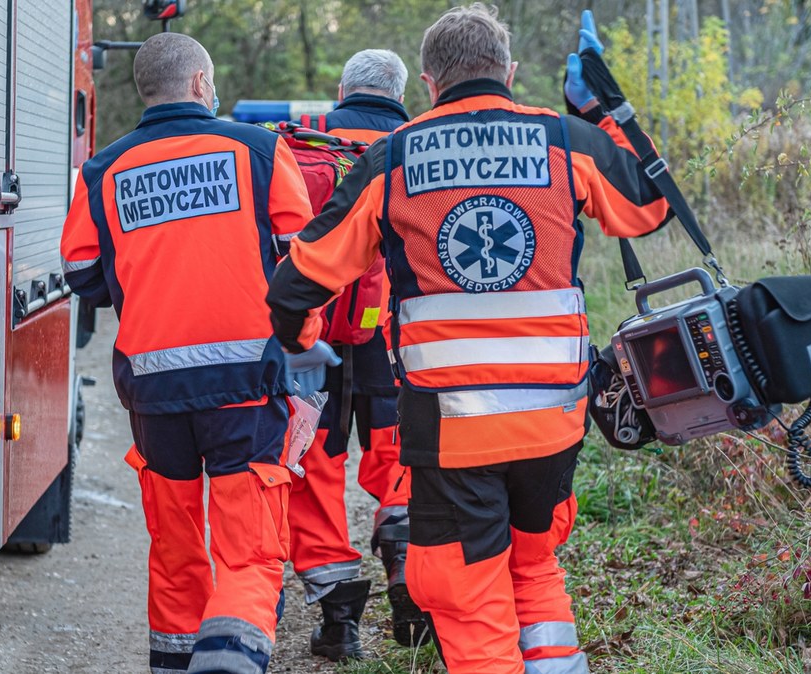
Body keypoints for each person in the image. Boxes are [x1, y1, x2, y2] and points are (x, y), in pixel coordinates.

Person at [266, 6, 671, 673]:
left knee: (465, 590)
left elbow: (301, 280)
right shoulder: (565, 140)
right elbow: (649, 208)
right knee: (533, 564)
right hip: (553, 423)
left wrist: (297, 339)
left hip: (454, 429)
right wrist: (603, 109)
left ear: (427, 83)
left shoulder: (393, 157)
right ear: (508, 72)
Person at [60, 32, 317, 674]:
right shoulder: (259, 149)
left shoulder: (104, 170)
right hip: (248, 385)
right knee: (250, 551)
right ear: (202, 84)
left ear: (146, 90)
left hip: (153, 387)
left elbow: (82, 271)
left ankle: (176, 663)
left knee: (175, 549)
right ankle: (229, 655)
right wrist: (306, 369)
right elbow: (305, 267)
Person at [282, 49, 425, 661]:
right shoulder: (422, 153)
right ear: (402, 94)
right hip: (394, 341)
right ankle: (406, 567)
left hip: (315, 342)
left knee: (316, 471)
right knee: (401, 459)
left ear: (340, 91)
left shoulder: (295, 152)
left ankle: (339, 623)